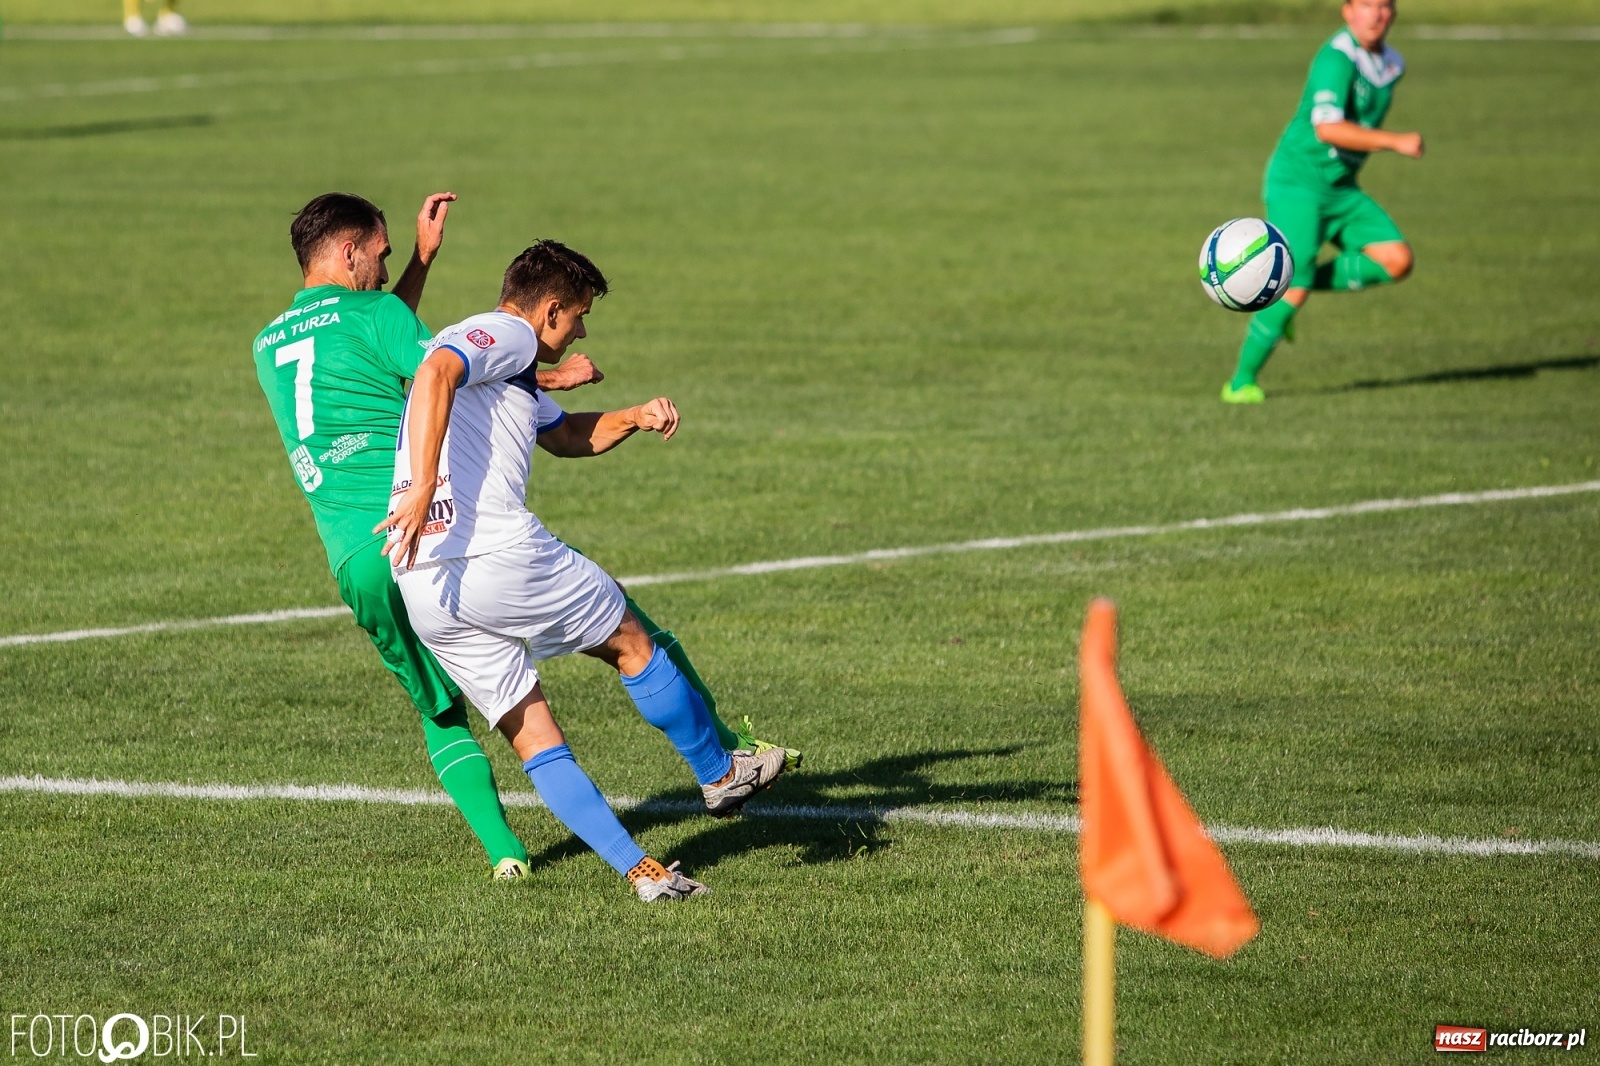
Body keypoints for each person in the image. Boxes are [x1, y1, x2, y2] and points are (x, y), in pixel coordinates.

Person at [381, 240, 793, 899]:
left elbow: (566, 435)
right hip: (493, 551)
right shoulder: (507, 335)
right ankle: (720, 773)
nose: (580, 329)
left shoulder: (506, 371)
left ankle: (644, 873)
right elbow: (435, 373)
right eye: (578, 315)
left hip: (423, 579)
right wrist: (425, 479)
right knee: (631, 639)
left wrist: (634, 415)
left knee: (532, 731)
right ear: (548, 311)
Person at [1220, 0, 1423, 404]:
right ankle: (1239, 384)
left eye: (1384, 6)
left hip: (1341, 187)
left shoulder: (1391, 64)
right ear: (1347, 11)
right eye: (1366, 4)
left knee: (1397, 260)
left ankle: (1294, 281)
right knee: (1294, 287)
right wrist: (1394, 141)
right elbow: (1328, 128)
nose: (1376, 14)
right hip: (1299, 182)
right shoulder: (1336, 59)